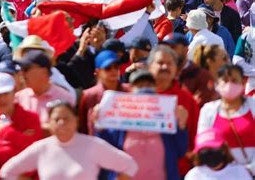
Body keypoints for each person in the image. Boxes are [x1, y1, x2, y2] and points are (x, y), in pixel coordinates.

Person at [0, 101, 138, 179]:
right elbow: (7, 172)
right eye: (56, 119)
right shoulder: (41, 148)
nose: (61, 123)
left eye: (66, 118)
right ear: (49, 124)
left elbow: (130, 165)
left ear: (76, 121)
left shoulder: (92, 145)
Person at [94, 70, 189, 180]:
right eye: (139, 85)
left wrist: (181, 126)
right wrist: (99, 124)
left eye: (149, 85)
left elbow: (181, 150)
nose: (145, 88)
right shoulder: (119, 118)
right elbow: (105, 148)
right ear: (130, 89)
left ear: (155, 88)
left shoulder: (167, 115)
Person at [0, 72, 43, 174]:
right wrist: (21, 147)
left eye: (6, 93)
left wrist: (7, 132)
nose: (2, 99)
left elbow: (36, 152)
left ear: (14, 92)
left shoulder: (31, 118)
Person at [148, 45, 200, 175]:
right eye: (160, 63)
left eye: (169, 63)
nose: (165, 67)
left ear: (176, 69)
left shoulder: (187, 99)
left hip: (177, 170)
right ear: (149, 67)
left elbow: (197, 135)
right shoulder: (136, 97)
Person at [197, 65, 255, 175]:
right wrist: (225, 171)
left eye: (234, 80)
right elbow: (203, 145)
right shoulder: (208, 111)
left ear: (242, 83)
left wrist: (248, 170)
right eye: (225, 80)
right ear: (217, 84)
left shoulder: (253, 106)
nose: (229, 84)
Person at [15, 50, 75, 130]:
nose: (21, 73)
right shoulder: (18, 98)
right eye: (20, 69)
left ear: (44, 71)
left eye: (26, 69)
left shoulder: (64, 98)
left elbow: (67, 130)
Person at [79, 50, 130, 135]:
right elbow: (83, 128)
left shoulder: (129, 91)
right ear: (98, 71)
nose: (113, 70)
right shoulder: (89, 95)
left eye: (116, 67)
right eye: (108, 68)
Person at [185, 128, 252, 180]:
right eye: (204, 151)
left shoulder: (239, 171)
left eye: (214, 148)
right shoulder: (194, 175)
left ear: (224, 149)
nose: (209, 154)